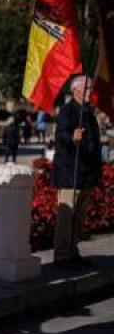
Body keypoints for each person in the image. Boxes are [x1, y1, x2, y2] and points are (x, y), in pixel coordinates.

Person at [52, 75, 102, 268]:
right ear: (76, 90)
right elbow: (61, 135)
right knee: (67, 214)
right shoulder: (67, 111)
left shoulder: (88, 112)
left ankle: (73, 250)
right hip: (69, 172)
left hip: (85, 172)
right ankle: (62, 254)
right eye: (88, 88)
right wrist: (72, 137)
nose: (91, 92)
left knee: (79, 215)